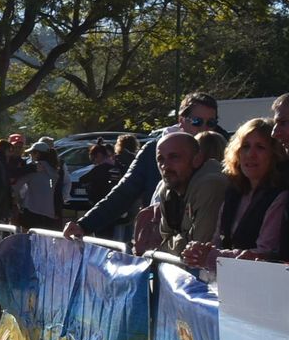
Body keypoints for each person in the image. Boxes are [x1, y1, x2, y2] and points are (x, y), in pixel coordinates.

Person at [66, 91, 222, 240]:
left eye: (211, 123)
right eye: (197, 121)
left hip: (205, 247)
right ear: (181, 120)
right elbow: (124, 193)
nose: (204, 128)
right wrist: (84, 225)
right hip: (162, 243)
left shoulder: (223, 150)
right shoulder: (152, 151)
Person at [181, 119, 286, 267]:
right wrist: (198, 251)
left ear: (274, 154)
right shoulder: (234, 192)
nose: (250, 154)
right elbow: (218, 241)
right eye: (245, 147)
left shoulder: (280, 196)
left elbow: (265, 253)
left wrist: (212, 257)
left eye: (260, 147)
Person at [133, 132, 228, 255]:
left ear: (197, 159)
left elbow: (198, 247)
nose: (165, 166)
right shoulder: (166, 188)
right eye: (160, 159)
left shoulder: (211, 184)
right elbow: (165, 238)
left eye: (174, 157)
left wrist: (169, 245)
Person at [15, 138, 63, 230]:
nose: (30, 156)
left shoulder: (34, 170)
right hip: (49, 212)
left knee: (29, 241)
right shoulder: (54, 171)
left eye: (31, 153)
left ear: (37, 154)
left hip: (31, 211)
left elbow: (16, 187)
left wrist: (19, 201)